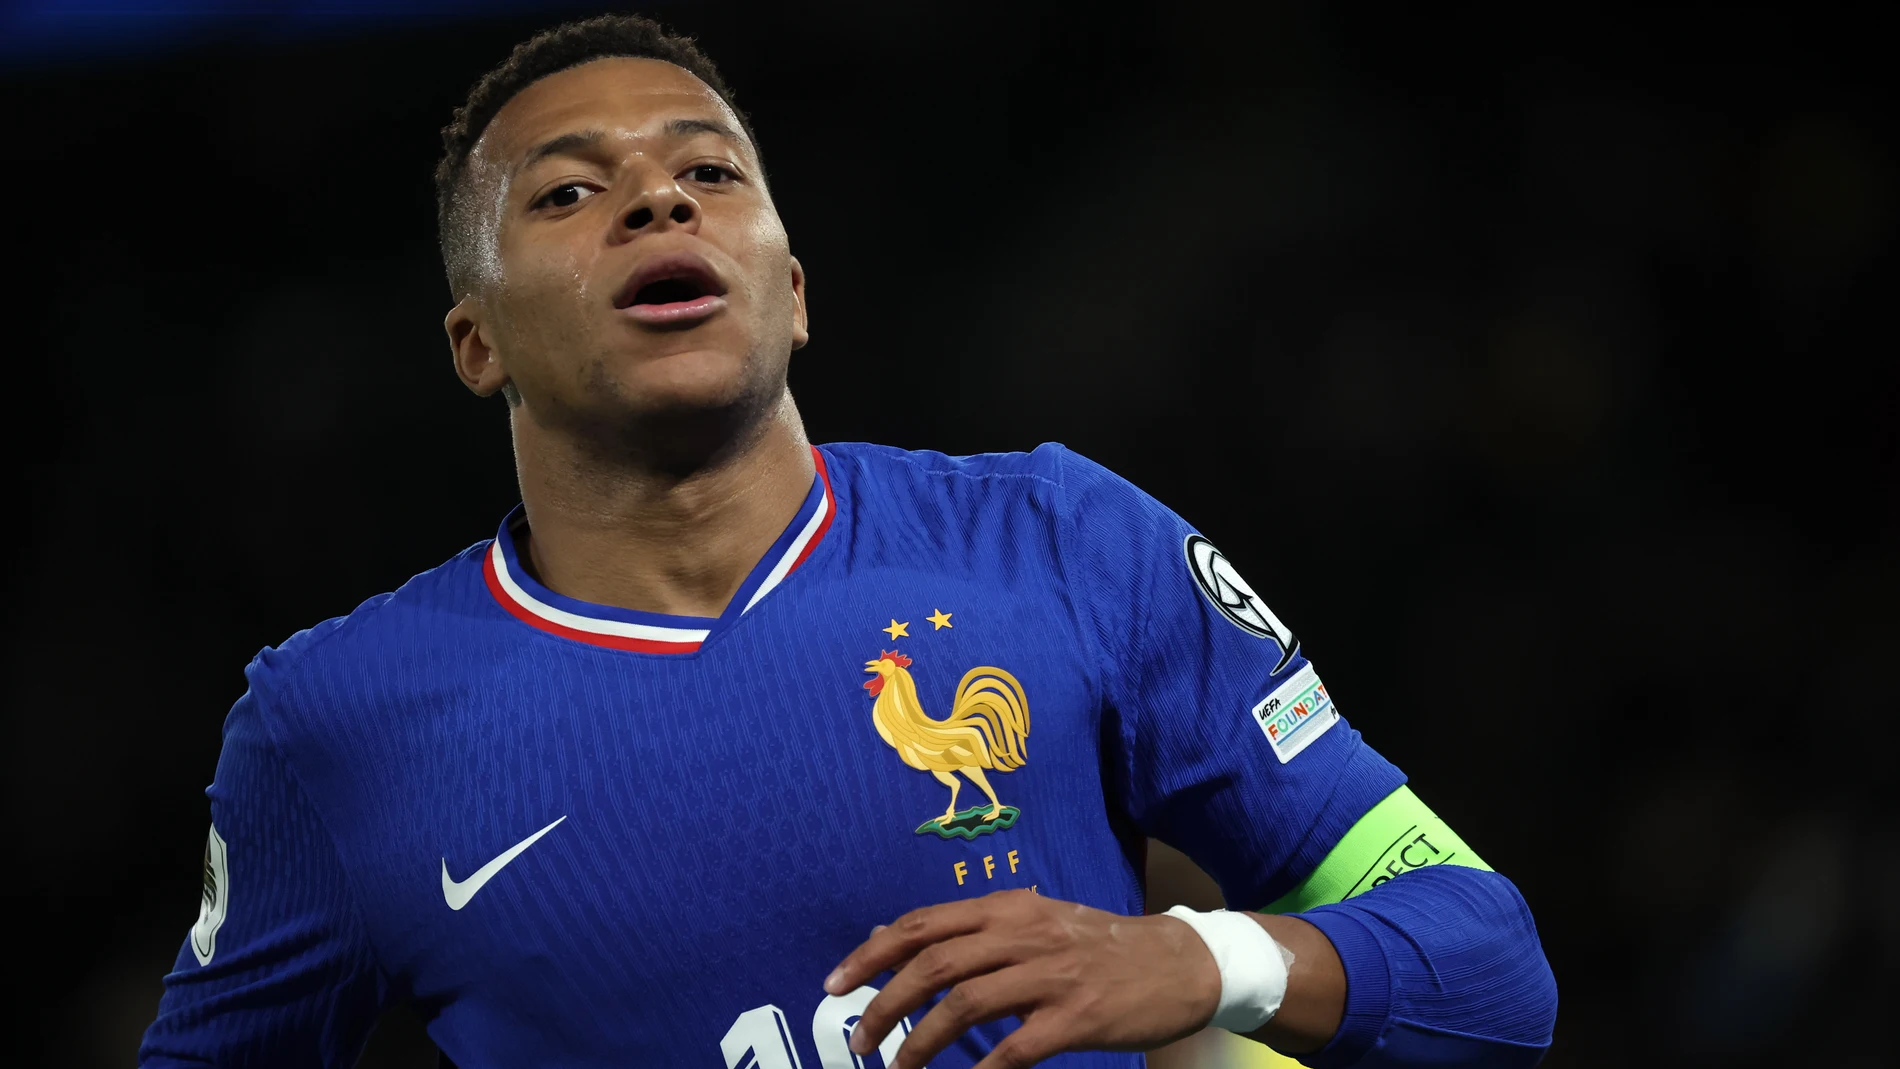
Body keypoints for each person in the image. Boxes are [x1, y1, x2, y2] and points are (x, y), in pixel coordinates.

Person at [139, 13, 1556, 1069]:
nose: (658, 199)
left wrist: (1201, 960)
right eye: (569, 193)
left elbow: (1490, 964)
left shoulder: (1061, 542)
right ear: (475, 341)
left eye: (710, 172)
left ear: (792, 291)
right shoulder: (334, 726)